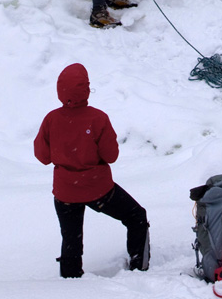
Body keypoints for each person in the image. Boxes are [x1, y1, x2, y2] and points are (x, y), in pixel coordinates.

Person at [34, 62, 149, 276]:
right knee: (136, 217)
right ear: (86, 89)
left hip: (65, 192)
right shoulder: (97, 118)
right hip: (98, 190)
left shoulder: (51, 120)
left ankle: (71, 281)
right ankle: (138, 266)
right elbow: (111, 156)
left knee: (71, 239)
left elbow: (42, 157)